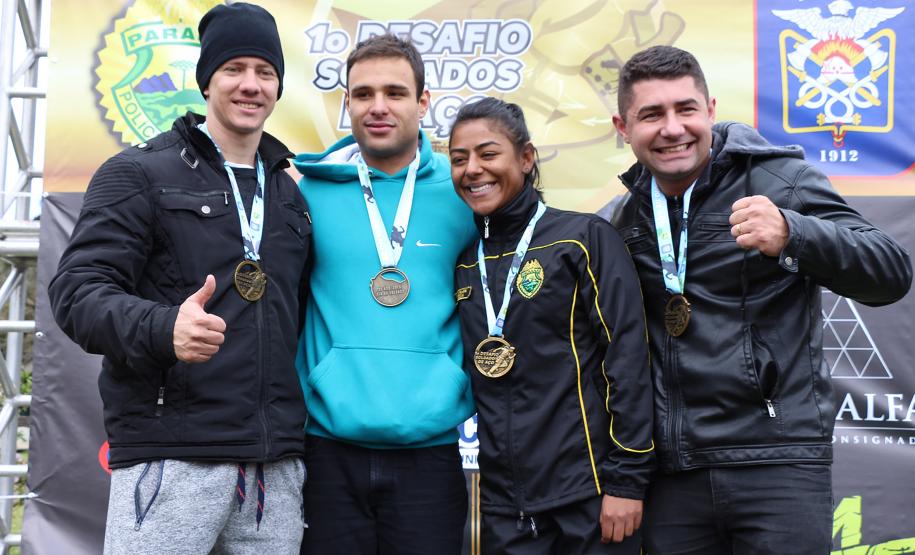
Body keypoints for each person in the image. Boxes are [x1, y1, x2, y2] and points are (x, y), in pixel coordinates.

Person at [607, 45, 913, 554]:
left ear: (710, 110)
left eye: (685, 109)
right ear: (623, 126)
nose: (672, 128)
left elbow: (890, 273)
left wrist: (794, 232)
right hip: (674, 472)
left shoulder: (779, 181)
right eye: (651, 115)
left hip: (777, 461)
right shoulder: (622, 218)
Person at [47, 4, 310, 553]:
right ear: (206, 79)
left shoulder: (290, 192)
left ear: (279, 86)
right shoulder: (138, 172)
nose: (250, 84)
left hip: (273, 467)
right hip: (171, 457)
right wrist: (163, 328)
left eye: (265, 72)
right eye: (234, 68)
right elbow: (76, 293)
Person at [292, 34, 477, 555]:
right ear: (346, 103)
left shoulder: (465, 192)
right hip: (327, 448)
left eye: (395, 93)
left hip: (433, 450)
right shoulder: (305, 193)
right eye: (363, 94)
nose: (378, 107)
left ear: (423, 102)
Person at [449, 97, 654, 554]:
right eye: (459, 159)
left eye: (488, 153)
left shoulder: (581, 239)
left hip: (592, 497)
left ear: (526, 157)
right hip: (506, 504)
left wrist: (626, 482)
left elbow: (629, 360)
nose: (472, 170)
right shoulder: (465, 262)